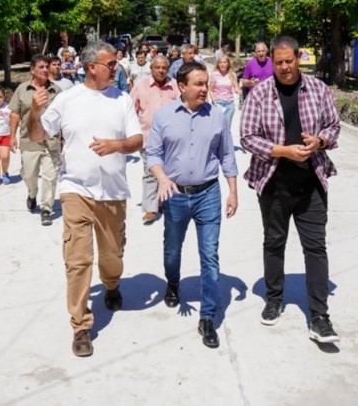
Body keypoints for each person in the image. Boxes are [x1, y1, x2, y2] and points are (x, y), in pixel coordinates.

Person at [28, 40, 142, 358]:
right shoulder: (67, 100)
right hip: (76, 189)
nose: (116, 69)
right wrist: (36, 112)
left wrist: (116, 146)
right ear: (92, 67)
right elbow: (37, 135)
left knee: (112, 255)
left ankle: (111, 283)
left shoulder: (122, 99)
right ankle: (80, 325)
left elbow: (137, 140)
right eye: (111, 65)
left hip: (113, 193)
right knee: (77, 260)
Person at [239, 35, 341, 344]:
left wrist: (319, 141)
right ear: (272, 61)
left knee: (316, 247)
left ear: (299, 58)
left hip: (311, 183)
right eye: (278, 62)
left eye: (289, 61)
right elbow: (247, 136)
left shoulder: (319, 90)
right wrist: (282, 150)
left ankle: (320, 316)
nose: (284, 67)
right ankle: (274, 297)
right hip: (273, 183)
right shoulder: (259, 95)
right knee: (274, 242)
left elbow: (333, 127)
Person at [146, 61, 238, 349]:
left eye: (205, 83)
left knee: (209, 255)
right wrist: (161, 179)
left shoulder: (218, 116)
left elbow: (227, 155)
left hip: (208, 194)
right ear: (181, 87)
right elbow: (152, 154)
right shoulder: (164, 116)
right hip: (174, 194)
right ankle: (173, 283)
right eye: (197, 84)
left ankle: (207, 316)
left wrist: (233, 192)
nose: (204, 89)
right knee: (172, 250)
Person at [9, 54, 62, 226]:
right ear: (32, 70)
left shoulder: (56, 90)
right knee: (29, 175)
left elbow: (63, 116)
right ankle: (32, 194)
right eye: (41, 67)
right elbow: (15, 114)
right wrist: (11, 137)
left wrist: (65, 138)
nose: (46, 70)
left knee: (50, 176)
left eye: (47, 67)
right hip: (29, 140)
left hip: (51, 141)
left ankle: (46, 208)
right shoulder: (22, 90)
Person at [130, 55, 180, 225]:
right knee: (151, 171)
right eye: (157, 67)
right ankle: (150, 208)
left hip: (172, 139)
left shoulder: (174, 86)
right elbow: (130, 111)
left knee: (169, 171)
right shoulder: (141, 86)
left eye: (164, 68)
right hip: (147, 138)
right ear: (151, 69)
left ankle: (166, 202)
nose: (160, 70)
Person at [209, 55, 241, 129]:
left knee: (226, 128)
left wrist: (240, 91)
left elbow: (236, 88)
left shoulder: (232, 74)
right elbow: (210, 90)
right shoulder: (214, 74)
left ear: (228, 64)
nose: (222, 64)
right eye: (220, 62)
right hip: (218, 103)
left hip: (229, 104)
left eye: (224, 62)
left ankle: (225, 141)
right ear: (218, 64)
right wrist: (214, 101)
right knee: (217, 127)